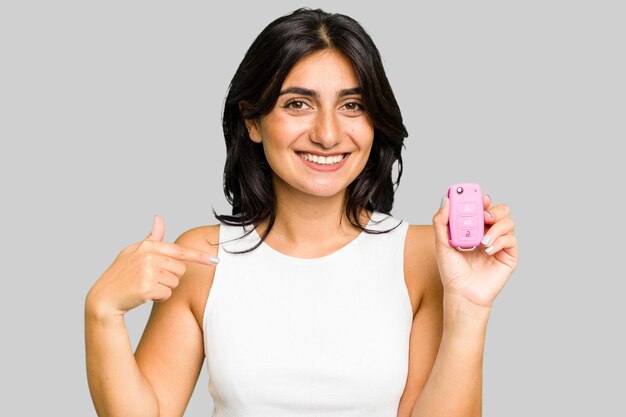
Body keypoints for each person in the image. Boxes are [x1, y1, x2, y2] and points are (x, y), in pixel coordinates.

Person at [84, 7, 518, 417]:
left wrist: (469, 309)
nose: (328, 134)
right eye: (297, 104)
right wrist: (102, 310)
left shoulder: (424, 257)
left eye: (352, 105)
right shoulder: (203, 258)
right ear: (252, 121)